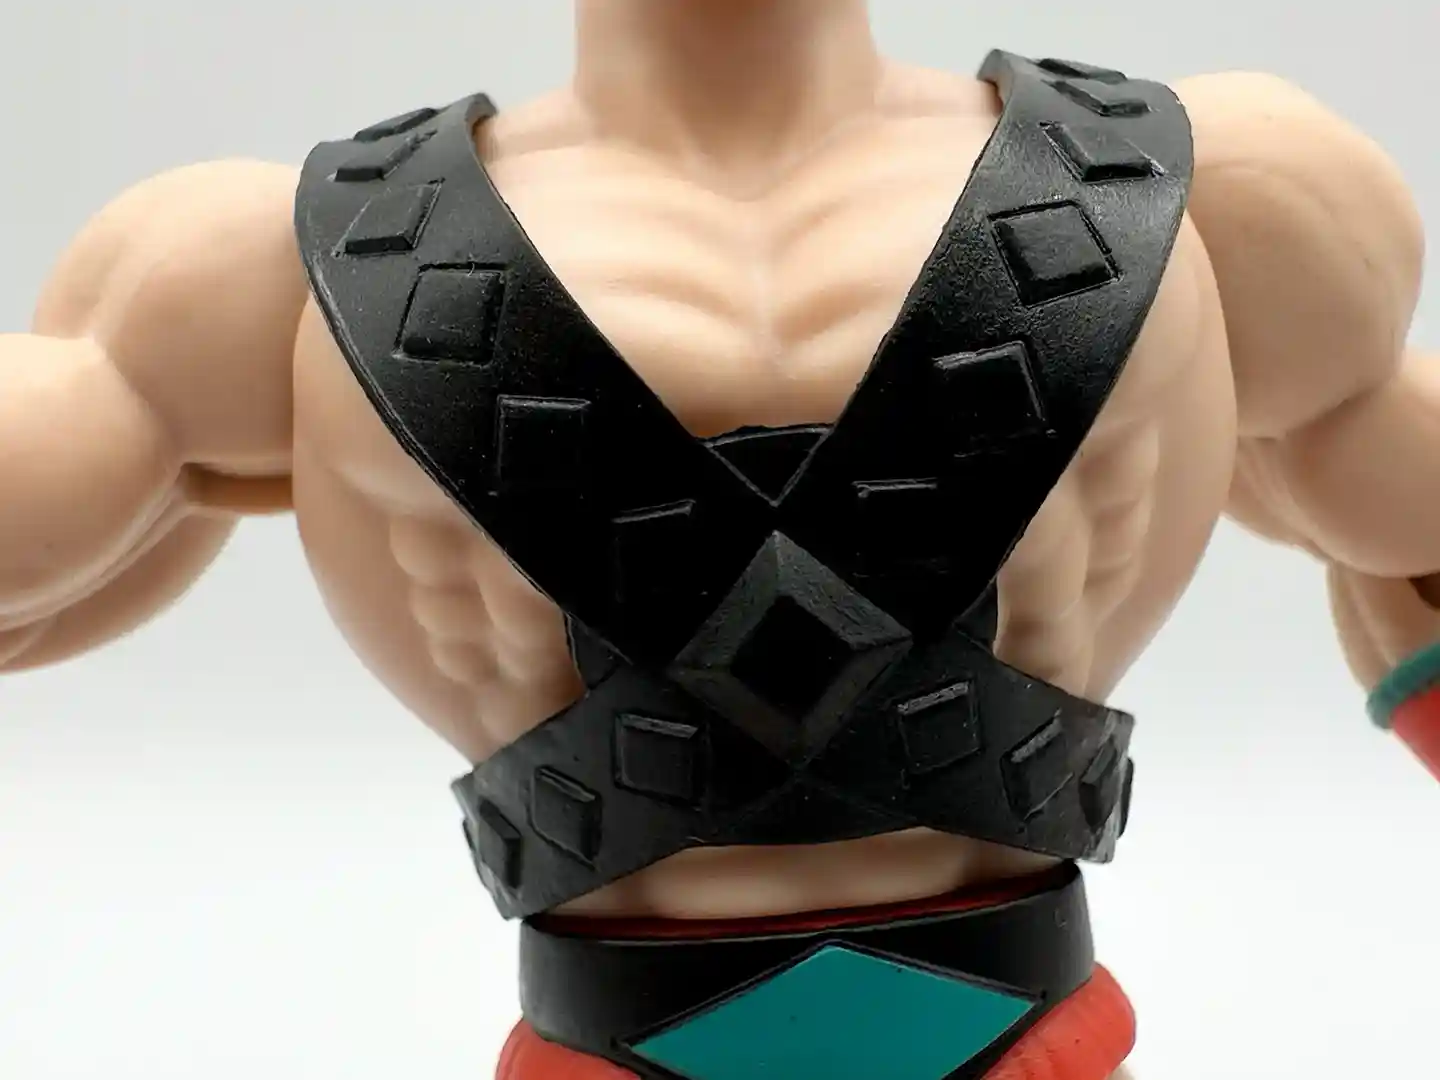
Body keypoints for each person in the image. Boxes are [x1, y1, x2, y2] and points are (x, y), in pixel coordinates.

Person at [1, 2, 1434, 1077]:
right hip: (613, 1047)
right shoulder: (250, 276)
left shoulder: (1216, 197)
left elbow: (1407, 532)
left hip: (1027, 1036)